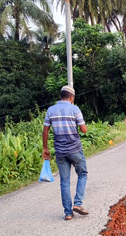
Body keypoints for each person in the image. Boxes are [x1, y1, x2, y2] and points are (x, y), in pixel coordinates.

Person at [42, 85, 89, 221]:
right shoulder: (75, 109)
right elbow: (84, 130)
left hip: (60, 152)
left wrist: (45, 149)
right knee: (83, 174)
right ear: (71, 97)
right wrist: (81, 126)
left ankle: (68, 213)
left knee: (64, 181)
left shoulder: (51, 110)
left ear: (61, 96)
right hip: (75, 149)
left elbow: (45, 131)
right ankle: (78, 204)